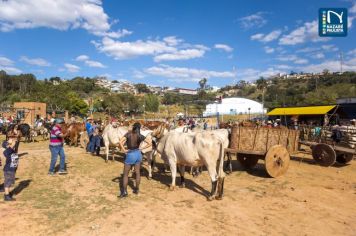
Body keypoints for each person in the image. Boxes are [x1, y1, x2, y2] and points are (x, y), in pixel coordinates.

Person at [118, 122, 147, 198]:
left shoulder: (128, 134)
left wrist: (124, 150)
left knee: (125, 174)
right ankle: (137, 189)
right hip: (138, 154)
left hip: (130, 154)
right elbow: (150, 142)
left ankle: (124, 192)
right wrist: (142, 148)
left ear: (134, 127)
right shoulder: (140, 136)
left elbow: (120, 142)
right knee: (137, 173)